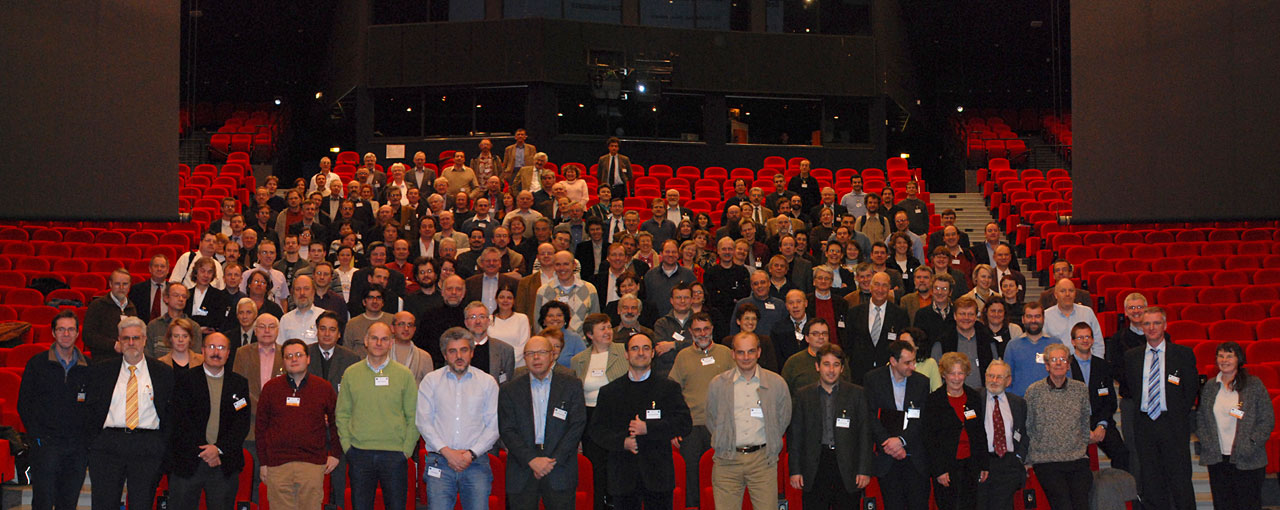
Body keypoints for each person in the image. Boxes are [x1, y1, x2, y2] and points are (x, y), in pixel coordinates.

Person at [589, 333, 692, 510]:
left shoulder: (668, 388)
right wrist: (622, 442)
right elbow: (597, 430)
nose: (641, 353)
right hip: (622, 476)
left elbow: (684, 423)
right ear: (626, 354)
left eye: (646, 348)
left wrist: (648, 428)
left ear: (652, 353)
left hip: (658, 476)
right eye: (635, 348)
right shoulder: (610, 392)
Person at [85, 316, 175, 510]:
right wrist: (95, 441)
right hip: (108, 445)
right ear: (119, 340)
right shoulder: (101, 371)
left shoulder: (163, 372)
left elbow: (171, 414)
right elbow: (90, 410)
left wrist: (161, 445)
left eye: (136, 338)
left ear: (144, 340)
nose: (131, 343)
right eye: (126, 338)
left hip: (147, 446)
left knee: (141, 504)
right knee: (104, 504)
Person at [705, 331, 792, 510]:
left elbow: (783, 418)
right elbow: (711, 418)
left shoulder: (776, 383)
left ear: (759, 352)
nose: (746, 357)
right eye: (740, 352)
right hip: (727, 460)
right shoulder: (718, 384)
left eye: (751, 351)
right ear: (733, 354)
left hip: (763, 462)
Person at [498, 335, 588, 510]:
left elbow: (577, 425)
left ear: (552, 355)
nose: (536, 357)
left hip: (559, 468)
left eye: (541, 352)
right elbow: (507, 429)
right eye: (530, 353)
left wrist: (553, 460)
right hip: (522, 468)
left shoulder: (571, 385)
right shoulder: (509, 389)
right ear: (524, 358)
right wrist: (531, 459)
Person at [417, 327, 500, 510]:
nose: (459, 356)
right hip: (439, 461)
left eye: (464, 350)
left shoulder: (487, 382)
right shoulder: (431, 381)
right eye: (452, 351)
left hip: (476, 463)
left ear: (472, 352)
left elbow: (494, 426)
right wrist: (448, 452)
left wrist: (470, 454)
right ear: (445, 355)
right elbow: (423, 422)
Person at [338, 322, 418, 509]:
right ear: (366, 341)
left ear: (391, 343)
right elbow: (342, 413)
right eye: (374, 338)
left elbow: (414, 415)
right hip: (359, 453)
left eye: (384, 339)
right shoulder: (351, 373)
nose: (379, 343)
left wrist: (406, 451)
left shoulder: (404, 375)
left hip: (395, 455)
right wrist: (347, 447)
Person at [166, 333, 251, 510]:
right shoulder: (184, 380)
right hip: (188, 462)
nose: (216, 352)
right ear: (203, 350)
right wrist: (205, 451)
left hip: (224, 463)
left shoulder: (239, 384)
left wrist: (218, 449)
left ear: (228, 353)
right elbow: (179, 421)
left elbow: (241, 423)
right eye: (211, 347)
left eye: (221, 348)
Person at [1125, 306, 1198, 510]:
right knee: (1151, 482)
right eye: (1147, 323)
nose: (1152, 327)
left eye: (1156, 323)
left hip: (1173, 425)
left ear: (1165, 325)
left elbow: (1191, 389)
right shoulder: (1132, 356)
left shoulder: (1183, 354)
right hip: (1145, 426)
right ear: (1142, 327)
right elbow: (1131, 389)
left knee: (1180, 480)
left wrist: (1177, 415)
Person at [17, 311, 91, 509]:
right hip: (46, 445)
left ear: (77, 333)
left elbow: (93, 408)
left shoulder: (89, 367)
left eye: (71, 329)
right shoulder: (37, 364)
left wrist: (85, 441)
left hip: (77, 448)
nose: (66, 334)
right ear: (53, 332)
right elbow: (24, 404)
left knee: (68, 503)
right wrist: (37, 437)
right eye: (61, 329)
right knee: (43, 502)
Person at [259, 338, 342, 510]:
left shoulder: (323, 388)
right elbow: (261, 427)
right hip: (277, 465)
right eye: (289, 356)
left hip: (312, 464)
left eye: (298, 355)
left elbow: (337, 421)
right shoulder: (271, 388)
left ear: (308, 358)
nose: (294, 359)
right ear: (283, 361)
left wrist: (335, 453)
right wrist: (263, 462)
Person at [787, 343, 872, 509]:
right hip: (815, 466)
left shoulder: (857, 394)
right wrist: (795, 470)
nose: (831, 370)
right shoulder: (803, 395)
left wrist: (864, 470)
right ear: (817, 366)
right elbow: (796, 435)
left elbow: (865, 434)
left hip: (847, 466)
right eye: (826, 364)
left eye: (836, 364)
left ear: (842, 368)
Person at [1197, 341, 1275, 510]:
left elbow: (1267, 419)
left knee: (1248, 505)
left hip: (1248, 458)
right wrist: (1207, 443)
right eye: (1221, 356)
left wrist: (1251, 444)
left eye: (1229, 356)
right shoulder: (1210, 386)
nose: (1224, 360)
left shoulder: (1254, 385)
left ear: (1239, 359)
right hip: (1218, 459)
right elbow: (1201, 418)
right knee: (1223, 505)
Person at [667, 312, 733, 509]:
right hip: (692, 426)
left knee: (723, 475)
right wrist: (674, 427)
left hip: (721, 425)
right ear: (690, 332)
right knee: (692, 477)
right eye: (697, 330)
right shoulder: (682, 357)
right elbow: (672, 394)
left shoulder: (726, 353)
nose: (702, 334)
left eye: (706, 329)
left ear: (712, 329)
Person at [1023, 343, 1093, 510]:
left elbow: (1085, 422)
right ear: (1047, 366)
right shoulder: (1034, 391)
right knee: (1063, 505)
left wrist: (1081, 447)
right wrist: (1030, 457)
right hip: (1047, 460)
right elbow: (1028, 426)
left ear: (1068, 365)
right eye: (1054, 360)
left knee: (1082, 505)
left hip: (1077, 458)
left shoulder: (1080, 389)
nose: (1059, 363)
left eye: (1063, 359)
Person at [864, 340, 931, 510]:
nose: (913, 367)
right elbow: (870, 415)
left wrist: (901, 441)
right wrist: (888, 443)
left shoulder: (922, 382)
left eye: (914, 361)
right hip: (887, 457)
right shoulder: (873, 379)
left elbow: (921, 419)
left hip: (914, 457)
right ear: (893, 361)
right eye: (907, 363)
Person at [571, 314, 627, 510]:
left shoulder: (624, 351)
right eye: (602, 328)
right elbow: (576, 395)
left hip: (617, 417)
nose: (608, 331)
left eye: (609, 327)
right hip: (590, 418)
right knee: (596, 466)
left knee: (617, 464)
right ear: (589, 334)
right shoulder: (578, 360)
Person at [923, 352, 989, 510]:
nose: (957, 378)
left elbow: (980, 432)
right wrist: (939, 470)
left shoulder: (973, 397)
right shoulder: (934, 400)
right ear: (944, 375)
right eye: (952, 373)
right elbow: (930, 439)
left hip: (971, 464)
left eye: (961, 373)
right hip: (946, 466)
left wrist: (984, 464)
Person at [232, 313, 285, 495]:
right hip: (250, 427)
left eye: (271, 326)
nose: (267, 330)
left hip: (278, 428)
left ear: (278, 331)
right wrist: (262, 408)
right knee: (249, 480)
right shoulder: (242, 353)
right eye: (262, 326)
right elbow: (237, 389)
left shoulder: (286, 354)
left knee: (275, 483)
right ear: (255, 331)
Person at [1067, 322, 1129, 472]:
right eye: (1080, 337)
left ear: (1093, 340)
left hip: (1100, 420)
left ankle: (1120, 487)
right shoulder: (1067, 367)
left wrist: (1102, 425)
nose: (1085, 340)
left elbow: (1110, 401)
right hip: (1075, 423)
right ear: (1073, 342)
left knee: (1122, 454)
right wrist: (1084, 428)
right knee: (1080, 462)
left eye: (1088, 336)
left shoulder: (1103, 365)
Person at [974, 360, 1029, 510]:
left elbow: (1025, 432)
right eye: (990, 376)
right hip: (982, 462)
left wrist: (1019, 458)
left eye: (999, 377)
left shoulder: (1018, 403)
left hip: (1008, 465)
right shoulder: (974, 398)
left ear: (1008, 380)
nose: (994, 380)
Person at [844, 271, 910, 383]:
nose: (880, 289)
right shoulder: (854, 313)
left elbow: (902, 345)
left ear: (889, 289)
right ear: (870, 287)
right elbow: (848, 344)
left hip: (889, 374)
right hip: (859, 374)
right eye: (877, 284)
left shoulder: (900, 314)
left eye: (884, 285)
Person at [930, 296, 999, 389]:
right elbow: (935, 375)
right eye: (962, 314)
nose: (966, 318)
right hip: (952, 394)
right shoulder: (942, 343)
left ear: (976, 317)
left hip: (983, 394)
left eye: (970, 314)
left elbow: (996, 371)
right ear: (955, 316)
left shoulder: (988, 341)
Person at [84, 268, 138, 362]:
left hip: (127, 361)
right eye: (117, 284)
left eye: (125, 284)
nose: (121, 287)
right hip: (103, 361)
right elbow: (88, 336)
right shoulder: (97, 305)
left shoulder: (132, 308)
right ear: (110, 284)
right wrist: (114, 345)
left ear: (130, 285)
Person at [1043, 279, 1104, 358]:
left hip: (1085, 361)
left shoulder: (1087, 313)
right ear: (1056, 295)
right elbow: (1043, 345)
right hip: (1058, 363)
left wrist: (1097, 362)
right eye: (1063, 291)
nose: (1067, 294)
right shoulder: (1046, 316)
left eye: (1071, 291)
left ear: (1075, 294)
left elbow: (1098, 342)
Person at [1002, 302, 1054, 396]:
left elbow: (1065, 375)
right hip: (1020, 401)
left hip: (1050, 400)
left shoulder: (1055, 344)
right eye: (1029, 316)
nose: (1033, 320)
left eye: (1037, 316)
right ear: (1023, 319)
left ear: (1043, 319)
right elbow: (1006, 377)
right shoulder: (1012, 346)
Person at [490, 285, 532, 367]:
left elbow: (524, 345)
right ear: (496, 300)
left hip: (518, 366)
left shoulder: (522, 318)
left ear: (514, 301)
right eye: (502, 297)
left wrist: (507, 362)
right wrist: (498, 363)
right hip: (494, 366)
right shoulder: (489, 319)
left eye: (509, 298)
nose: (505, 300)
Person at [390, 311, 436, 383]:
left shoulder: (424, 357)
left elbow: (430, 385)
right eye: (401, 324)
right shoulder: (382, 353)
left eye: (410, 325)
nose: (406, 328)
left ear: (414, 329)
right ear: (392, 328)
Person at [279, 274, 324, 345]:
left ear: (313, 292)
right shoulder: (285, 319)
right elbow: (280, 346)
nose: (302, 293)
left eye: (306, 288)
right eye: (298, 289)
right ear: (293, 293)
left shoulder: (323, 316)